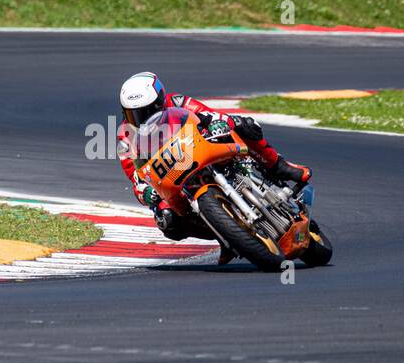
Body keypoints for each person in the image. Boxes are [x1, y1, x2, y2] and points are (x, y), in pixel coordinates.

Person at [117, 71, 310, 264]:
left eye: (147, 111)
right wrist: (146, 193)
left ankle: (277, 165)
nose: (142, 119)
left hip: (201, 148)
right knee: (168, 222)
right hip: (171, 176)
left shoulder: (177, 101)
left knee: (246, 125)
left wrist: (225, 122)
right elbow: (137, 178)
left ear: (160, 102)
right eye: (134, 115)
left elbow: (210, 114)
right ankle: (228, 236)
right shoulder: (125, 139)